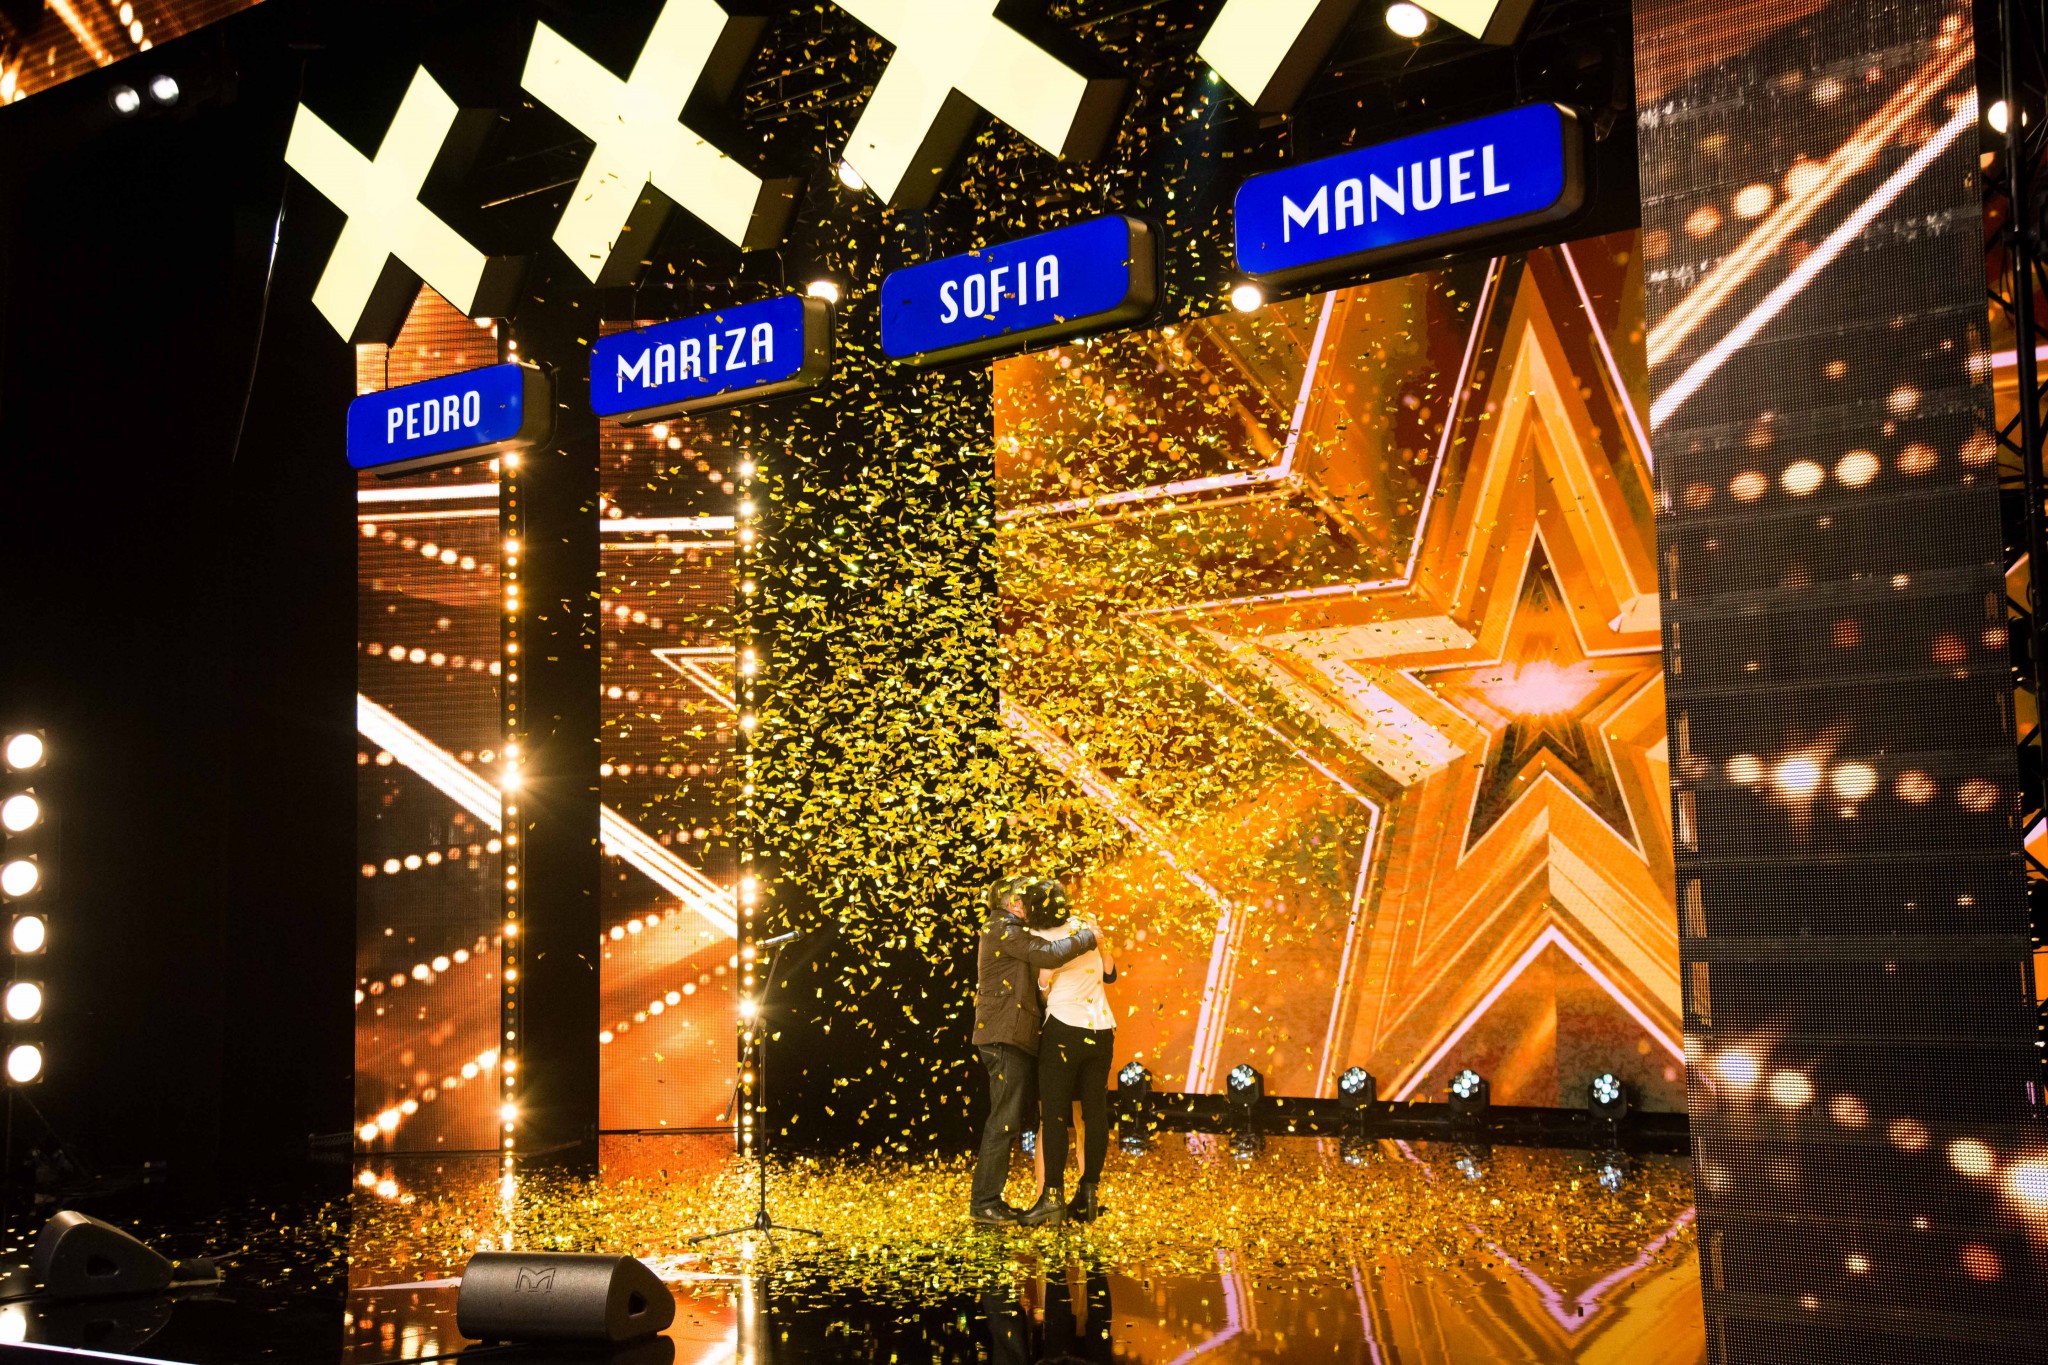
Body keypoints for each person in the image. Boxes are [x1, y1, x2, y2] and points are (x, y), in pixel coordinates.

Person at [972, 876, 1099, 1226]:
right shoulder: (1002, 929)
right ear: (1014, 904)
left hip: (1007, 1034)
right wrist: (1087, 937)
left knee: (1007, 1120)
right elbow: (1048, 953)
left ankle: (988, 1200)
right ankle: (984, 1203)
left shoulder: (1007, 929)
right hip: (1003, 1035)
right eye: (1025, 899)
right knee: (1003, 1121)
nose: (1030, 904)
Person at [1021, 879, 1116, 1226]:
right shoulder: (1086, 925)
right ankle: (1089, 1194)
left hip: (1064, 1028)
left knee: (1054, 1117)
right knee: (1094, 1115)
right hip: (1102, 1030)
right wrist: (1100, 941)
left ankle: (1052, 1198)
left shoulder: (1038, 939)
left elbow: (1044, 990)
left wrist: (1043, 981)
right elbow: (1110, 973)